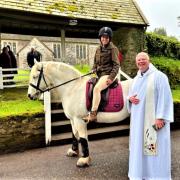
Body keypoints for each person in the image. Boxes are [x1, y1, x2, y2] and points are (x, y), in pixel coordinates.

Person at [127, 52, 174, 180]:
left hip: (154, 121)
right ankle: (139, 173)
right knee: (139, 147)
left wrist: (161, 117)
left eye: (143, 59)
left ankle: (157, 176)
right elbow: (130, 96)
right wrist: (129, 99)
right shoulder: (135, 79)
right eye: (138, 60)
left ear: (149, 60)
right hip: (138, 121)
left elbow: (166, 98)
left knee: (156, 149)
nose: (141, 62)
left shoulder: (159, 77)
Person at [82, 27, 120, 122]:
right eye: (103, 37)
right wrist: (93, 70)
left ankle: (93, 114)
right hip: (99, 75)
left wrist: (111, 78)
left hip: (107, 74)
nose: (104, 39)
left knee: (97, 89)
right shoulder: (98, 48)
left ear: (109, 38)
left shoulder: (113, 49)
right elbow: (95, 63)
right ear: (100, 38)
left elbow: (116, 65)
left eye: (107, 37)